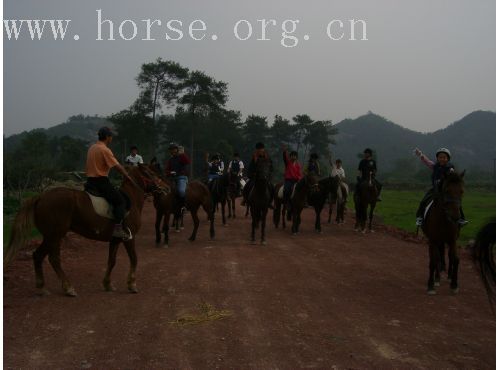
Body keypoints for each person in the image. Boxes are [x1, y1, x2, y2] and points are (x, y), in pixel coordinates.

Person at [85, 127, 134, 239]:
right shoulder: (105, 150)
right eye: (111, 136)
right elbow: (117, 167)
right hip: (101, 182)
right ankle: (118, 230)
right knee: (120, 201)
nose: (111, 138)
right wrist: (127, 176)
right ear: (107, 137)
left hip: (89, 181)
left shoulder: (92, 147)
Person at [414, 147, 468, 226]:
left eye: (444, 157)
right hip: (435, 189)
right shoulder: (434, 166)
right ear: (437, 158)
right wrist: (420, 155)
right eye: (440, 157)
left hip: (445, 190)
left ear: (448, 159)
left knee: (456, 203)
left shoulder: (450, 169)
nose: (442, 159)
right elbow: (427, 161)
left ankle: (461, 219)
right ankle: (420, 218)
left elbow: (453, 177)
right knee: (424, 201)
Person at [241, 142, 274, 207]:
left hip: (265, 177)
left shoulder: (267, 158)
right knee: (246, 186)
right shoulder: (254, 158)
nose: (260, 150)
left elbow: (271, 168)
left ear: (263, 149)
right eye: (258, 149)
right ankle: (245, 199)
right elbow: (250, 168)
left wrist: (269, 175)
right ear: (256, 150)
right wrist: (251, 175)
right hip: (255, 177)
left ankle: (270, 202)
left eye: (261, 149)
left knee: (271, 187)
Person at [164, 143, 191, 209]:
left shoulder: (181, 157)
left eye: (174, 149)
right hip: (172, 178)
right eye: (171, 149)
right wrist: (170, 172)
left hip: (181, 177)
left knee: (181, 191)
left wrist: (182, 154)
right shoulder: (170, 160)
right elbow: (166, 170)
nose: (172, 151)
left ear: (177, 150)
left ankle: (183, 206)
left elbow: (187, 162)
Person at [281, 145, 302, 212]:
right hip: (288, 180)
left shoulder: (298, 165)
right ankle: (287, 202)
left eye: (295, 156)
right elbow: (285, 158)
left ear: (296, 157)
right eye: (292, 156)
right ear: (290, 157)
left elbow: (299, 174)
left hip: (296, 180)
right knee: (287, 189)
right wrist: (284, 151)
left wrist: (299, 178)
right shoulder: (288, 163)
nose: (293, 157)